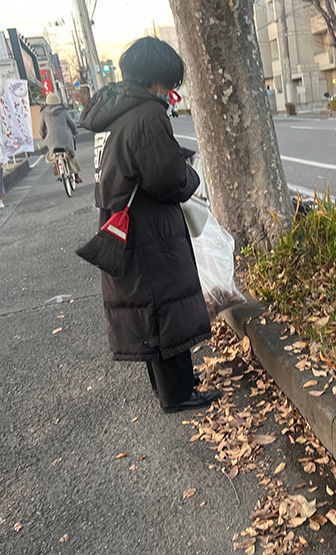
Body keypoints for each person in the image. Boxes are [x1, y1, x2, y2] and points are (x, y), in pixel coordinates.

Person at [80, 36, 220, 413]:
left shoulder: (112, 115)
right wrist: (191, 176)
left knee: (148, 310)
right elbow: (168, 178)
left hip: (121, 223)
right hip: (149, 229)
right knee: (164, 307)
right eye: (170, 82)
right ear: (156, 78)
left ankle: (167, 387)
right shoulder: (147, 115)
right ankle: (178, 395)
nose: (171, 90)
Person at [40, 93, 82, 184]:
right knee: (70, 155)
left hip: (51, 140)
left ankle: (55, 164)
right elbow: (72, 124)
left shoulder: (43, 112)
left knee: (52, 152)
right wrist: (74, 132)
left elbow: (41, 128)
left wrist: (43, 135)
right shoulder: (63, 110)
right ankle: (76, 175)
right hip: (65, 138)